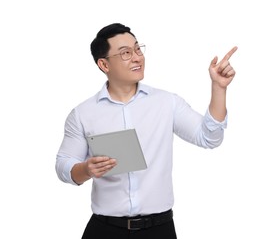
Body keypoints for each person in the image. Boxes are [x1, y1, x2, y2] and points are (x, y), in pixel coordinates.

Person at [55, 22, 237, 239]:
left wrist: (219, 88)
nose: (137, 57)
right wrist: (85, 169)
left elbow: (209, 138)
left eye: (138, 49)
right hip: (104, 230)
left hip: (158, 230)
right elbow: (63, 164)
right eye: (125, 53)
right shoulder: (83, 113)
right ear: (104, 65)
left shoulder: (166, 103)